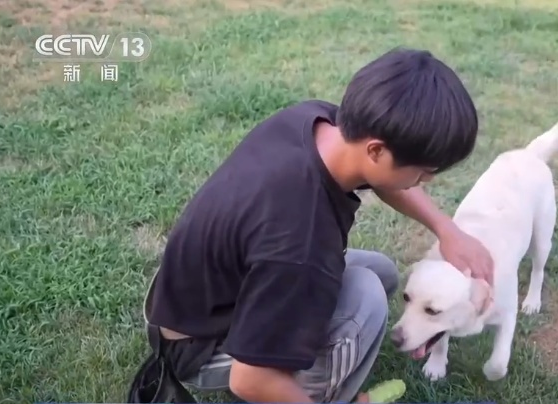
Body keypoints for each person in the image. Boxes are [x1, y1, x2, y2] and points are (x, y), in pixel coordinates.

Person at [140, 47, 494, 404]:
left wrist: (446, 229)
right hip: (198, 348)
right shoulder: (300, 242)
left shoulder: (317, 122)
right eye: (422, 171)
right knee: (366, 298)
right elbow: (249, 379)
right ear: (376, 151)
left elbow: (384, 177)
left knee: (381, 272)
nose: (425, 181)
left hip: (188, 302)